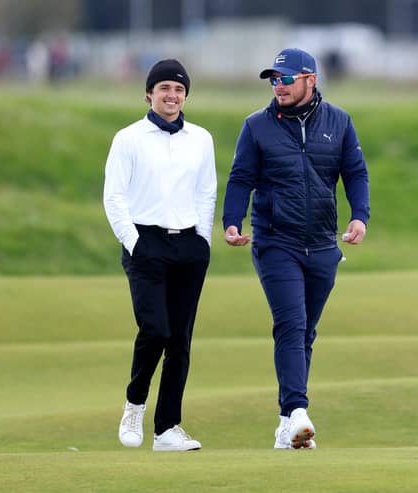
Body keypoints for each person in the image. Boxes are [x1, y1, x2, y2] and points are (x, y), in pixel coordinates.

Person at [222, 48, 370, 450]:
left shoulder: (339, 121)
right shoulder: (256, 126)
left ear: (311, 79)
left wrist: (360, 216)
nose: (278, 86)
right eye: (273, 79)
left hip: (323, 243)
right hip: (275, 241)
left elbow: (355, 172)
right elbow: (240, 178)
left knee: (305, 332)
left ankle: (286, 424)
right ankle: (300, 410)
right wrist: (232, 221)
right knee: (290, 323)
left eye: (286, 78)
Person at [103, 59, 217, 452]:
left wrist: (203, 240)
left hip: (188, 244)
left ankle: (167, 428)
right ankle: (134, 404)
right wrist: (135, 243)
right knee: (155, 329)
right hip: (146, 243)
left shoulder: (201, 139)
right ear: (149, 94)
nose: (172, 95)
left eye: (179, 89)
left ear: (186, 96)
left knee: (180, 341)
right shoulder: (128, 138)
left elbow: (207, 191)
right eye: (164, 88)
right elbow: (114, 196)